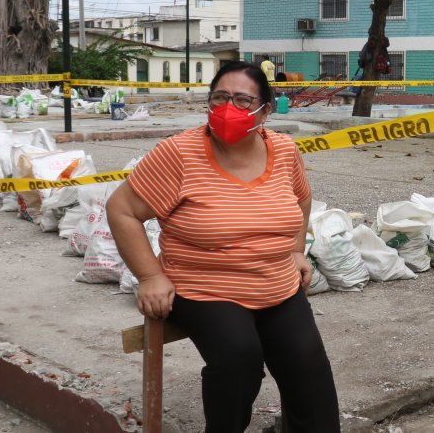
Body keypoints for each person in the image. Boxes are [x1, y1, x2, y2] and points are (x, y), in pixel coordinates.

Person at [106, 60, 340, 432]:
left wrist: (296, 250)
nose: (230, 108)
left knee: (308, 367)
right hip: (205, 286)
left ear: (265, 110)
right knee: (239, 360)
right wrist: (150, 276)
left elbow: (301, 199)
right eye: (220, 97)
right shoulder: (179, 154)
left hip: (275, 283)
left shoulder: (283, 151)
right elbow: (121, 210)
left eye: (243, 100)